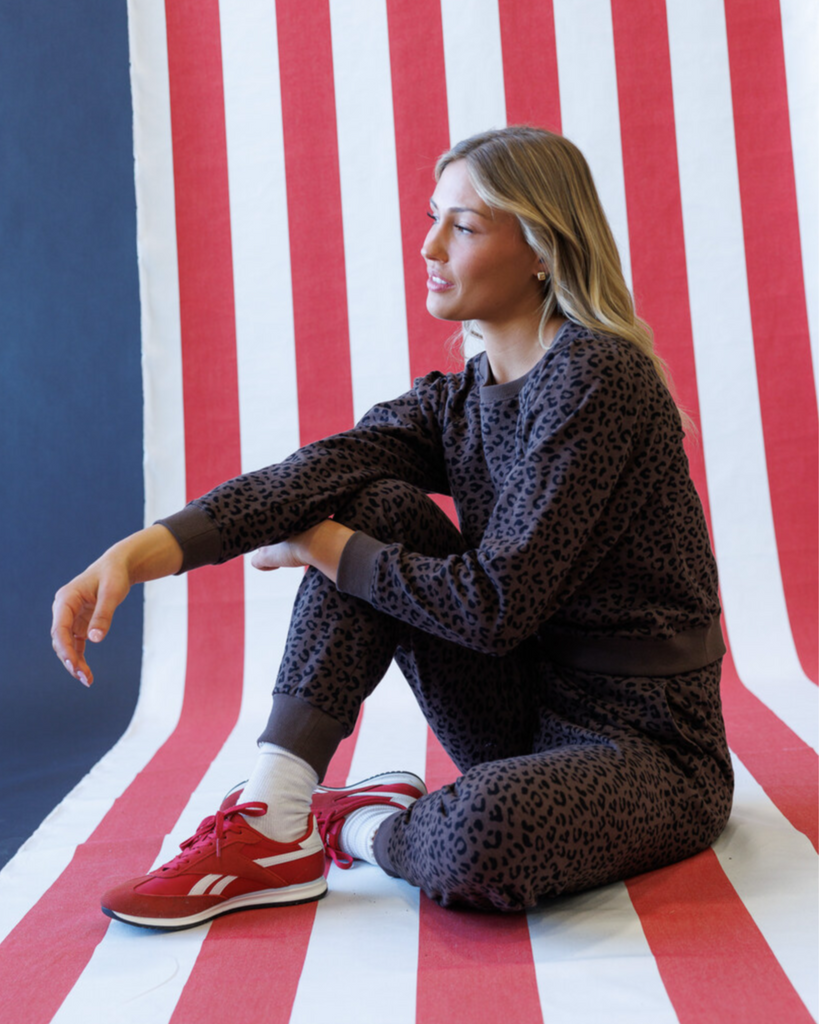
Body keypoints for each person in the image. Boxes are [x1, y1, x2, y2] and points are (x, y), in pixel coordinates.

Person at [51, 126, 733, 929]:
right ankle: (273, 820)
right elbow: (313, 473)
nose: (429, 245)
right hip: (516, 714)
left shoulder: (597, 378)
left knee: (483, 836)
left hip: (649, 749)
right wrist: (136, 555)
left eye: (465, 226)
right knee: (367, 503)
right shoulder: (461, 399)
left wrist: (322, 547)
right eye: (432, 218)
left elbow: (493, 606)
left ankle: (355, 824)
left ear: (543, 248)